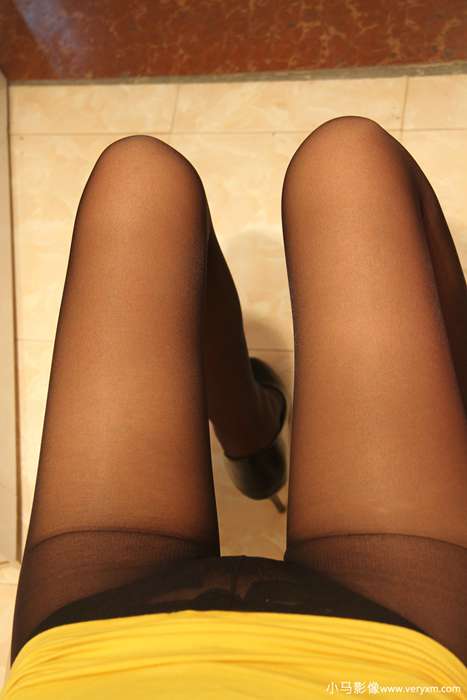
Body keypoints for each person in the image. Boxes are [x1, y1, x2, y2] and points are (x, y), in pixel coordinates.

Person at [2, 115, 466, 698]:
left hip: (99, 663)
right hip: (378, 669)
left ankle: (252, 438)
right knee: (344, 161)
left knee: (141, 175)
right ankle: (255, 440)